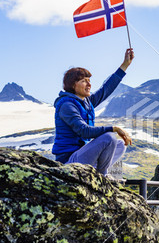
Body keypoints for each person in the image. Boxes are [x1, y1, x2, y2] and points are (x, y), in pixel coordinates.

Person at [52, 48, 134, 176]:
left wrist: (125, 65)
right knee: (109, 137)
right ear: (72, 85)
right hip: (70, 161)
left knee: (120, 144)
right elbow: (84, 131)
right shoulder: (66, 105)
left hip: (83, 157)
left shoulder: (86, 102)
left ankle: (97, 173)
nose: (89, 84)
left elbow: (106, 89)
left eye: (89, 81)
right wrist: (114, 128)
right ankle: (102, 177)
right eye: (84, 81)